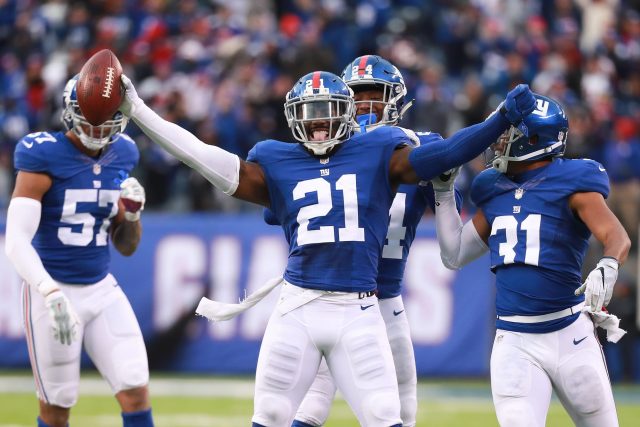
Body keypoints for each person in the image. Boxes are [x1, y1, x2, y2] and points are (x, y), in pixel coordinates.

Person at [118, 70, 536, 426]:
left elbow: (446, 152)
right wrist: (137, 109)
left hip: (360, 309)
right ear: (293, 118)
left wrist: (499, 119)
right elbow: (200, 155)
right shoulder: (278, 160)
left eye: (327, 113)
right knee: (270, 415)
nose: (318, 124)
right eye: (309, 115)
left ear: (346, 114)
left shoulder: (378, 151)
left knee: (386, 415)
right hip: (297, 307)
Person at [432, 94, 630, 426]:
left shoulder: (574, 180)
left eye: (509, 132)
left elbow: (616, 236)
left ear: (535, 139)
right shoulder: (493, 187)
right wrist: (442, 195)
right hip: (515, 341)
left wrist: (609, 264)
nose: (499, 139)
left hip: (571, 335)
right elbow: (454, 254)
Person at [290, 55, 461, 427]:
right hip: (329, 294)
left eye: (376, 96)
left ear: (395, 101)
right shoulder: (327, 150)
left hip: (386, 301)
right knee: (311, 403)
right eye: (359, 96)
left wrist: (445, 186)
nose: (367, 106)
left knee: (401, 411)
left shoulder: (418, 149)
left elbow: (454, 247)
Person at [4, 76, 153, 427]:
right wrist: (48, 291)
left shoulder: (125, 152)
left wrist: (131, 214)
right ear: (69, 113)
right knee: (57, 407)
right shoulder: (42, 153)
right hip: (52, 289)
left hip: (102, 288)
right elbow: (16, 240)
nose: (99, 128)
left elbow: (127, 246)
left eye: (108, 119)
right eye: (90, 117)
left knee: (134, 387)